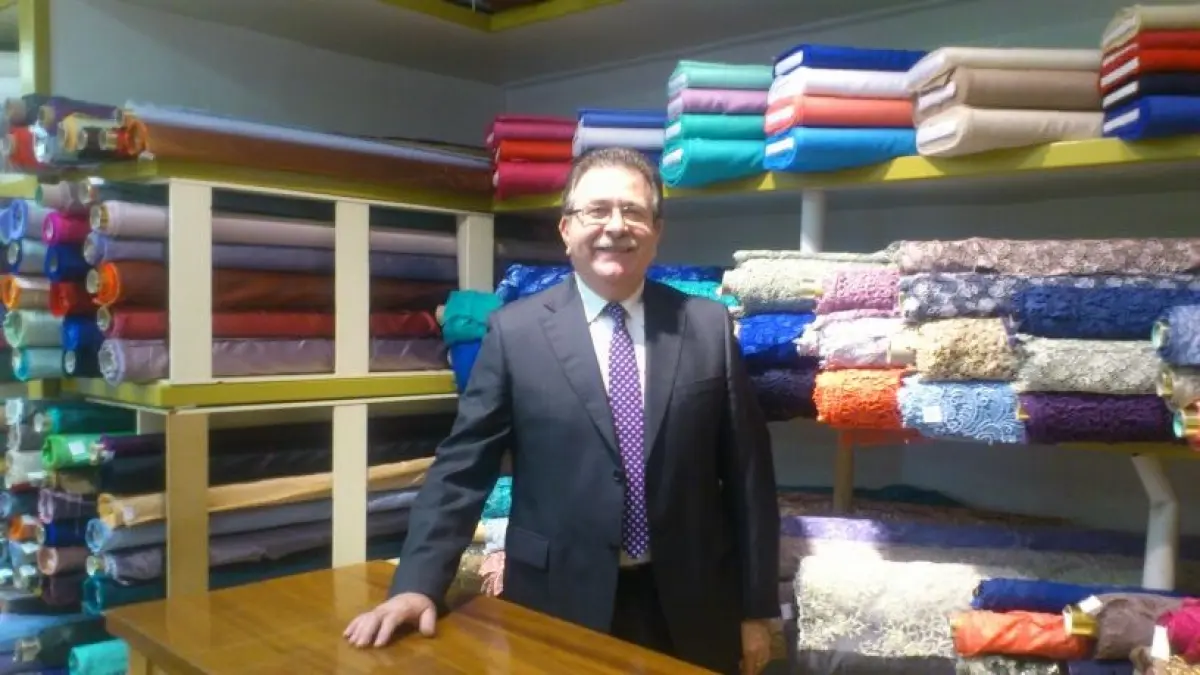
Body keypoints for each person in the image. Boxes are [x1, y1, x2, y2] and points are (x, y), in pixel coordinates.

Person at [343, 147, 781, 675]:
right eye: (597, 210)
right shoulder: (515, 332)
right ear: (566, 229)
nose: (615, 226)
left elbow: (749, 478)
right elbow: (462, 470)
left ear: (656, 231)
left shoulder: (707, 326)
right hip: (558, 601)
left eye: (633, 211)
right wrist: (416, 585)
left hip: (693, 604)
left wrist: (756, 609)